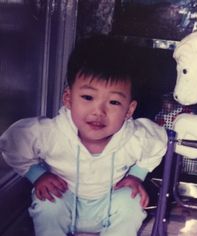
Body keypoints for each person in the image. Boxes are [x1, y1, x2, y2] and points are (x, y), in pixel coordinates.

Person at [0, 35, 167, 236]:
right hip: (64, 200)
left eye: (114, 102)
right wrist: (38, 175)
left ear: (129, 110)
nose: (99, 112)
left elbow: (158, 142)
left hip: (108, 205)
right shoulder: (51, 133)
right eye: (88, 97)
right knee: (47, 203)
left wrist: (136, 176)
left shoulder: (135, 137)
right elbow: (13, 143)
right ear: (68, 98)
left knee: (131, 201)